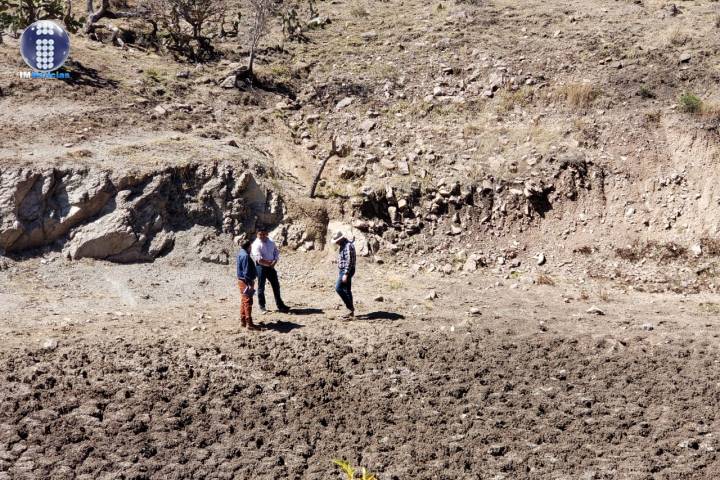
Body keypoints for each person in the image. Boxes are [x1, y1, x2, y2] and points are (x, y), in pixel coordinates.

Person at [251, 227, 290, 314]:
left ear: (267, 234)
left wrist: (275, 261)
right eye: (260, 234)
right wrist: (270, 263)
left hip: (271, 267)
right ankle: (262, 306)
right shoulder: (256, 245)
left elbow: (276, 251)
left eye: (263, 234)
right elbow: (258, 259)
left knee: (276, 286)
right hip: (261, 267)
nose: (262, 236)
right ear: (257, 235)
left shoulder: (271, 242)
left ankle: (280, 305)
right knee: (261, 287)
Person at [332, 231, 356, 319]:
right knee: (347, 290)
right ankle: (350, 311)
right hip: (344, 270)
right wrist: (337, 261)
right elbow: (345, 259)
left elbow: (350, 261)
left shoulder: (348, 246)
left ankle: (350, 308)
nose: (337, 242)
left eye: (337, 240)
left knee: (338, 288)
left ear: (341, 239)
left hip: (346, 271)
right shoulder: (343, 245)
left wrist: (346, 274)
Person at [236, 239, 259, 331]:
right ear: (249, 246)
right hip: (245, 281)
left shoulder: (241, 253)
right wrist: (249, 283)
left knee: (244, 301)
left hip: (242, 281)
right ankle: (249, 323)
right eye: (250, 247)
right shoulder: (245, 255)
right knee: (248, 301)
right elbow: (246, 271)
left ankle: (243, 321)